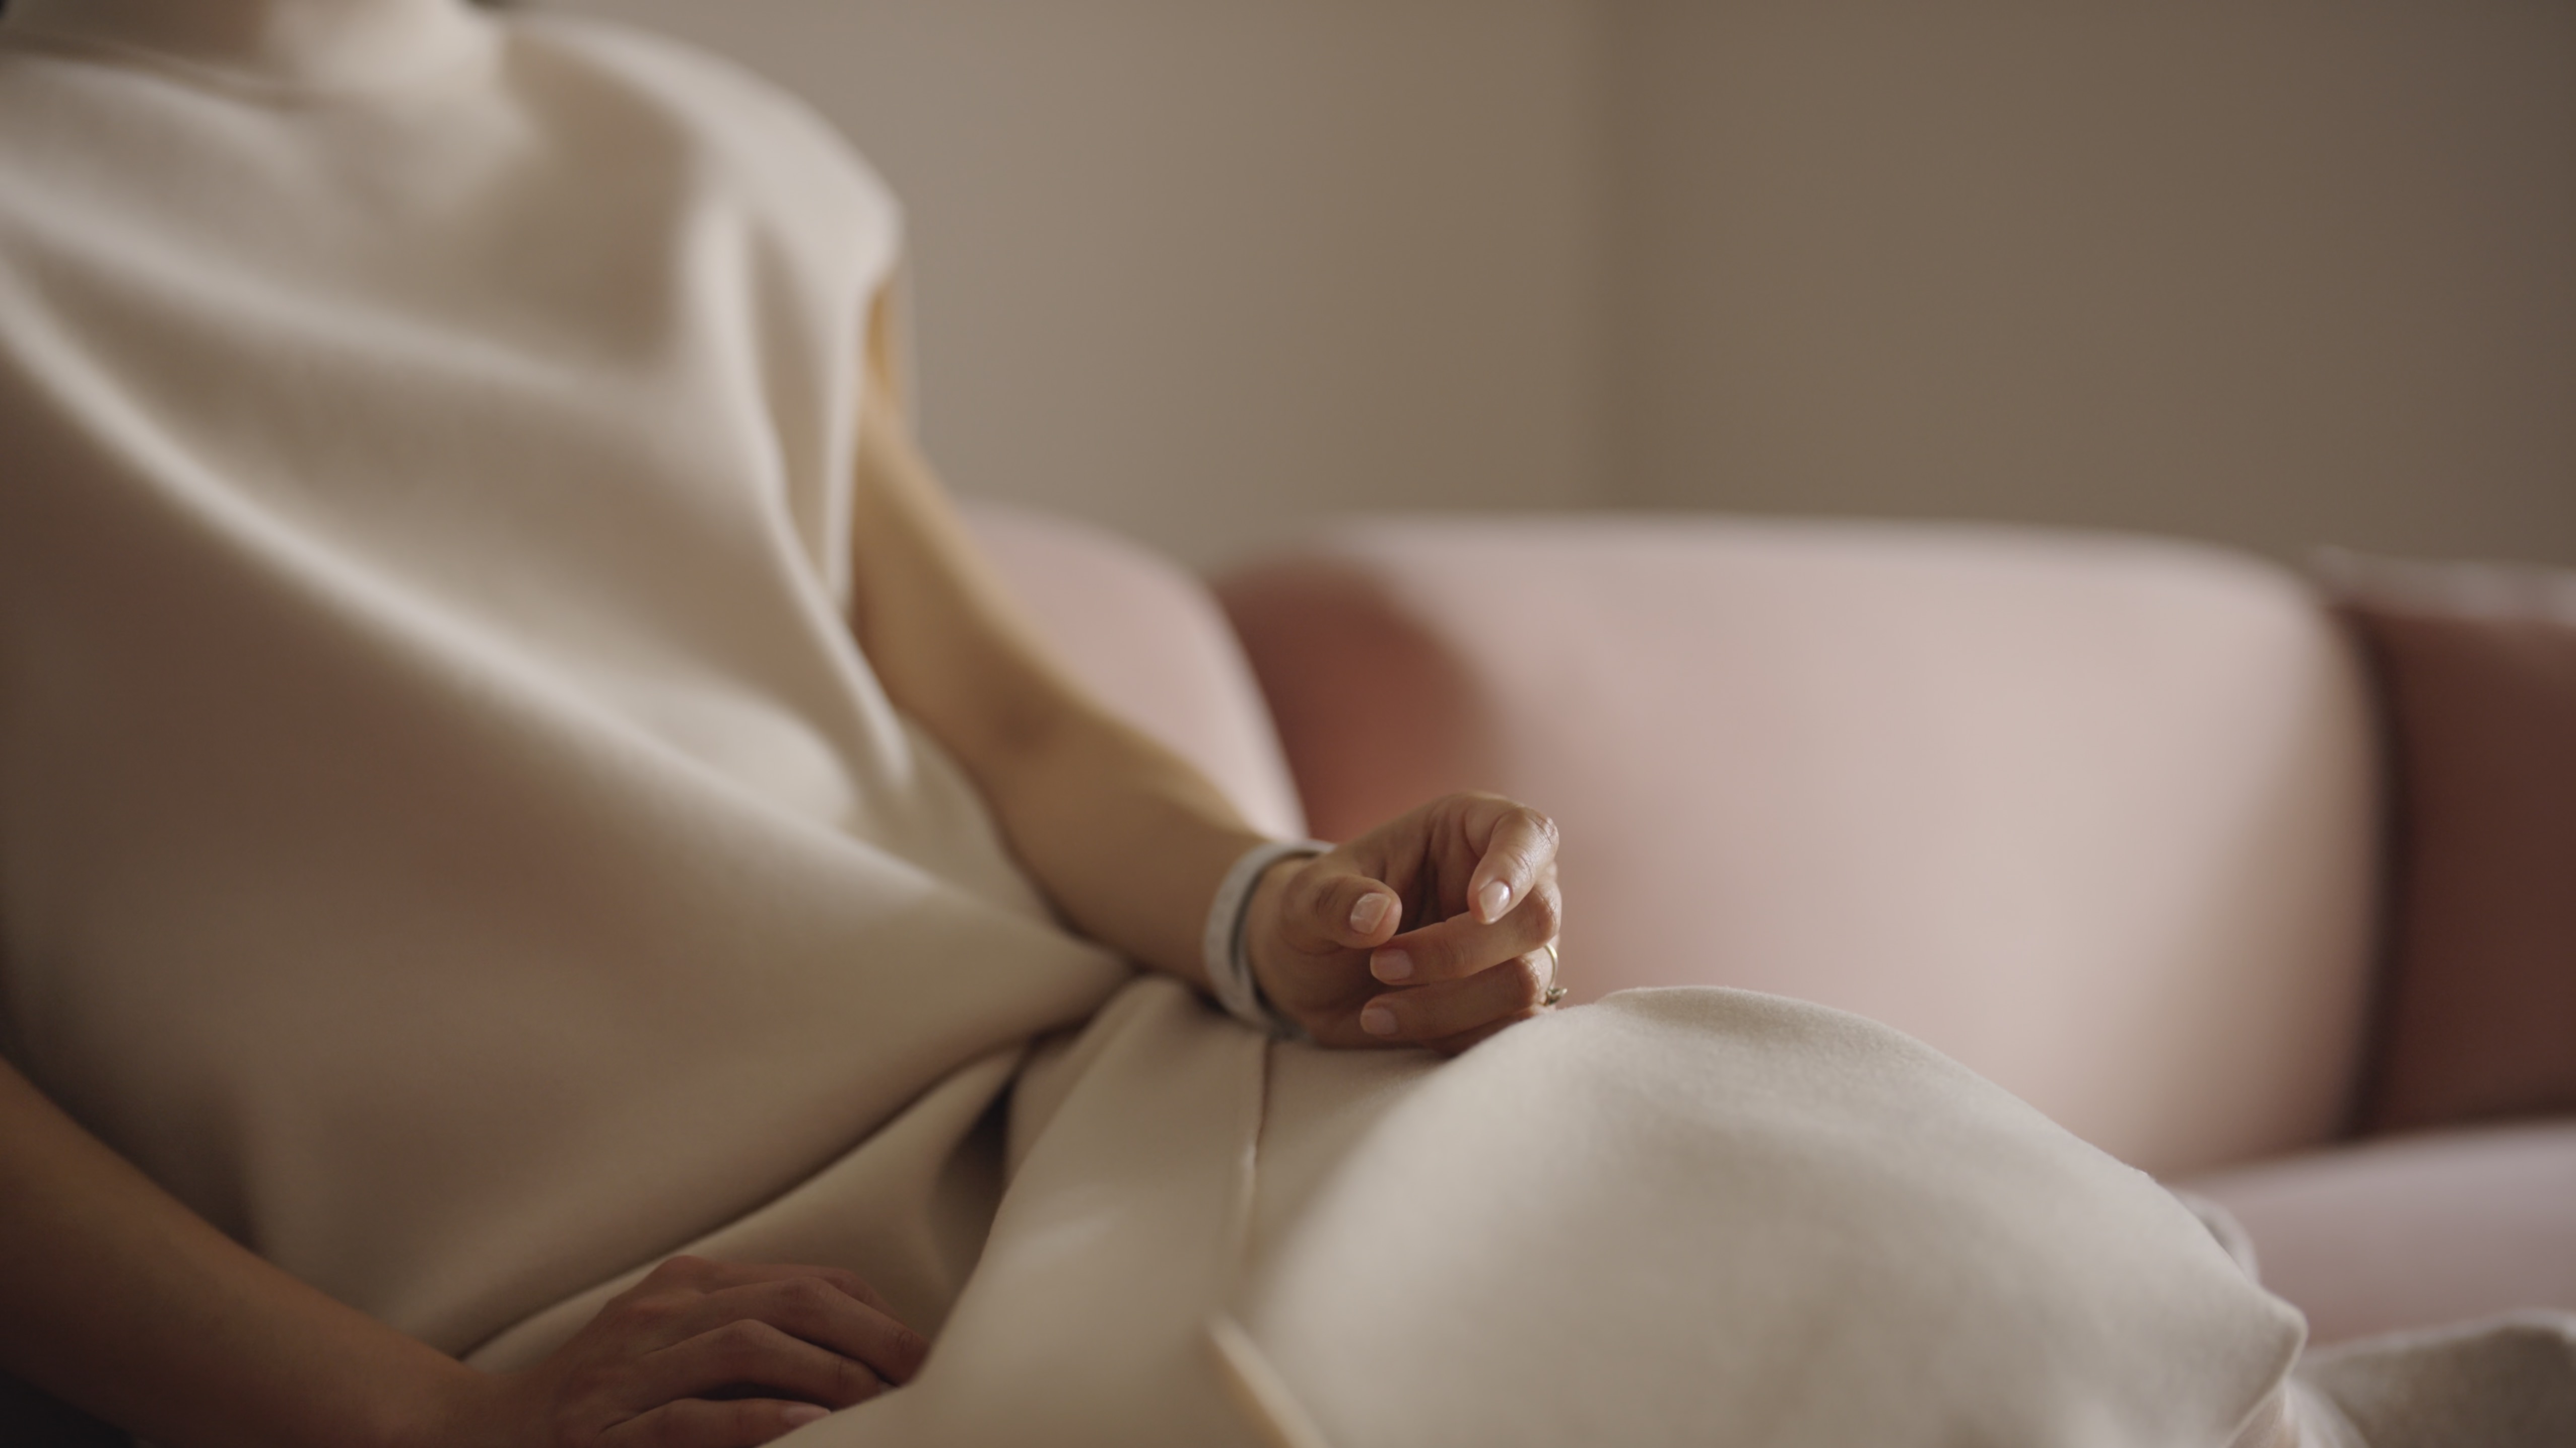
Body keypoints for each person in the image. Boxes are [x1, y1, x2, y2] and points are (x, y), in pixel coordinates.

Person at [0, 4, 2345, 1447]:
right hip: (681, 1319)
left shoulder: (728, 172)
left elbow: (1012, 725)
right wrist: (410, 1420)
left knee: (1936, 1253)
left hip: (1126, 1084)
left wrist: (1286, 909)